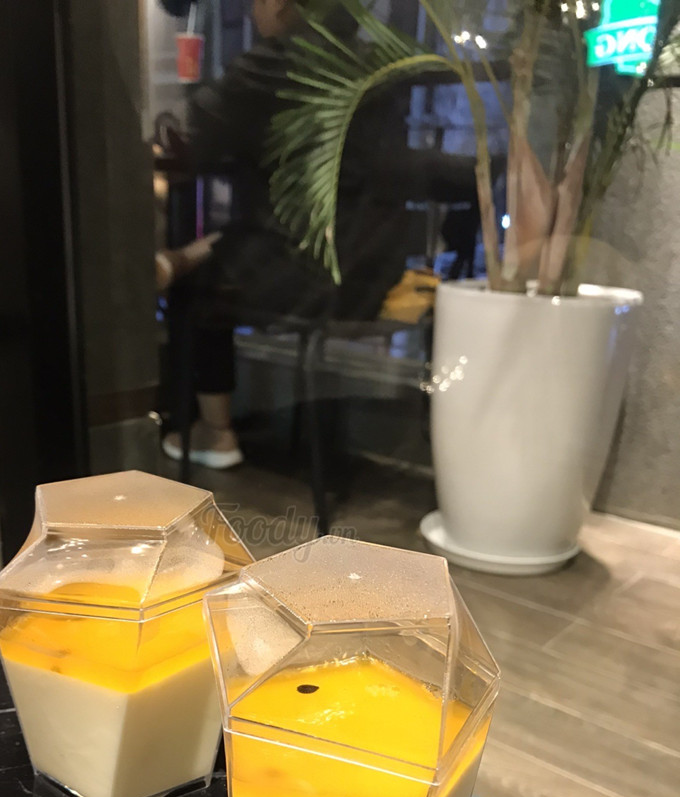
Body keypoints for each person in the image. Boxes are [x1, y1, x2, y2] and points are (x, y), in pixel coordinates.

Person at [162, 0, 478, 469]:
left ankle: (216, 430)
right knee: (222, 249)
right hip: (370, 276)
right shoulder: (371, 63)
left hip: (303, 276)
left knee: (194, 287)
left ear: (281, 3)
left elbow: (188, 138)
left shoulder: (273, 62)